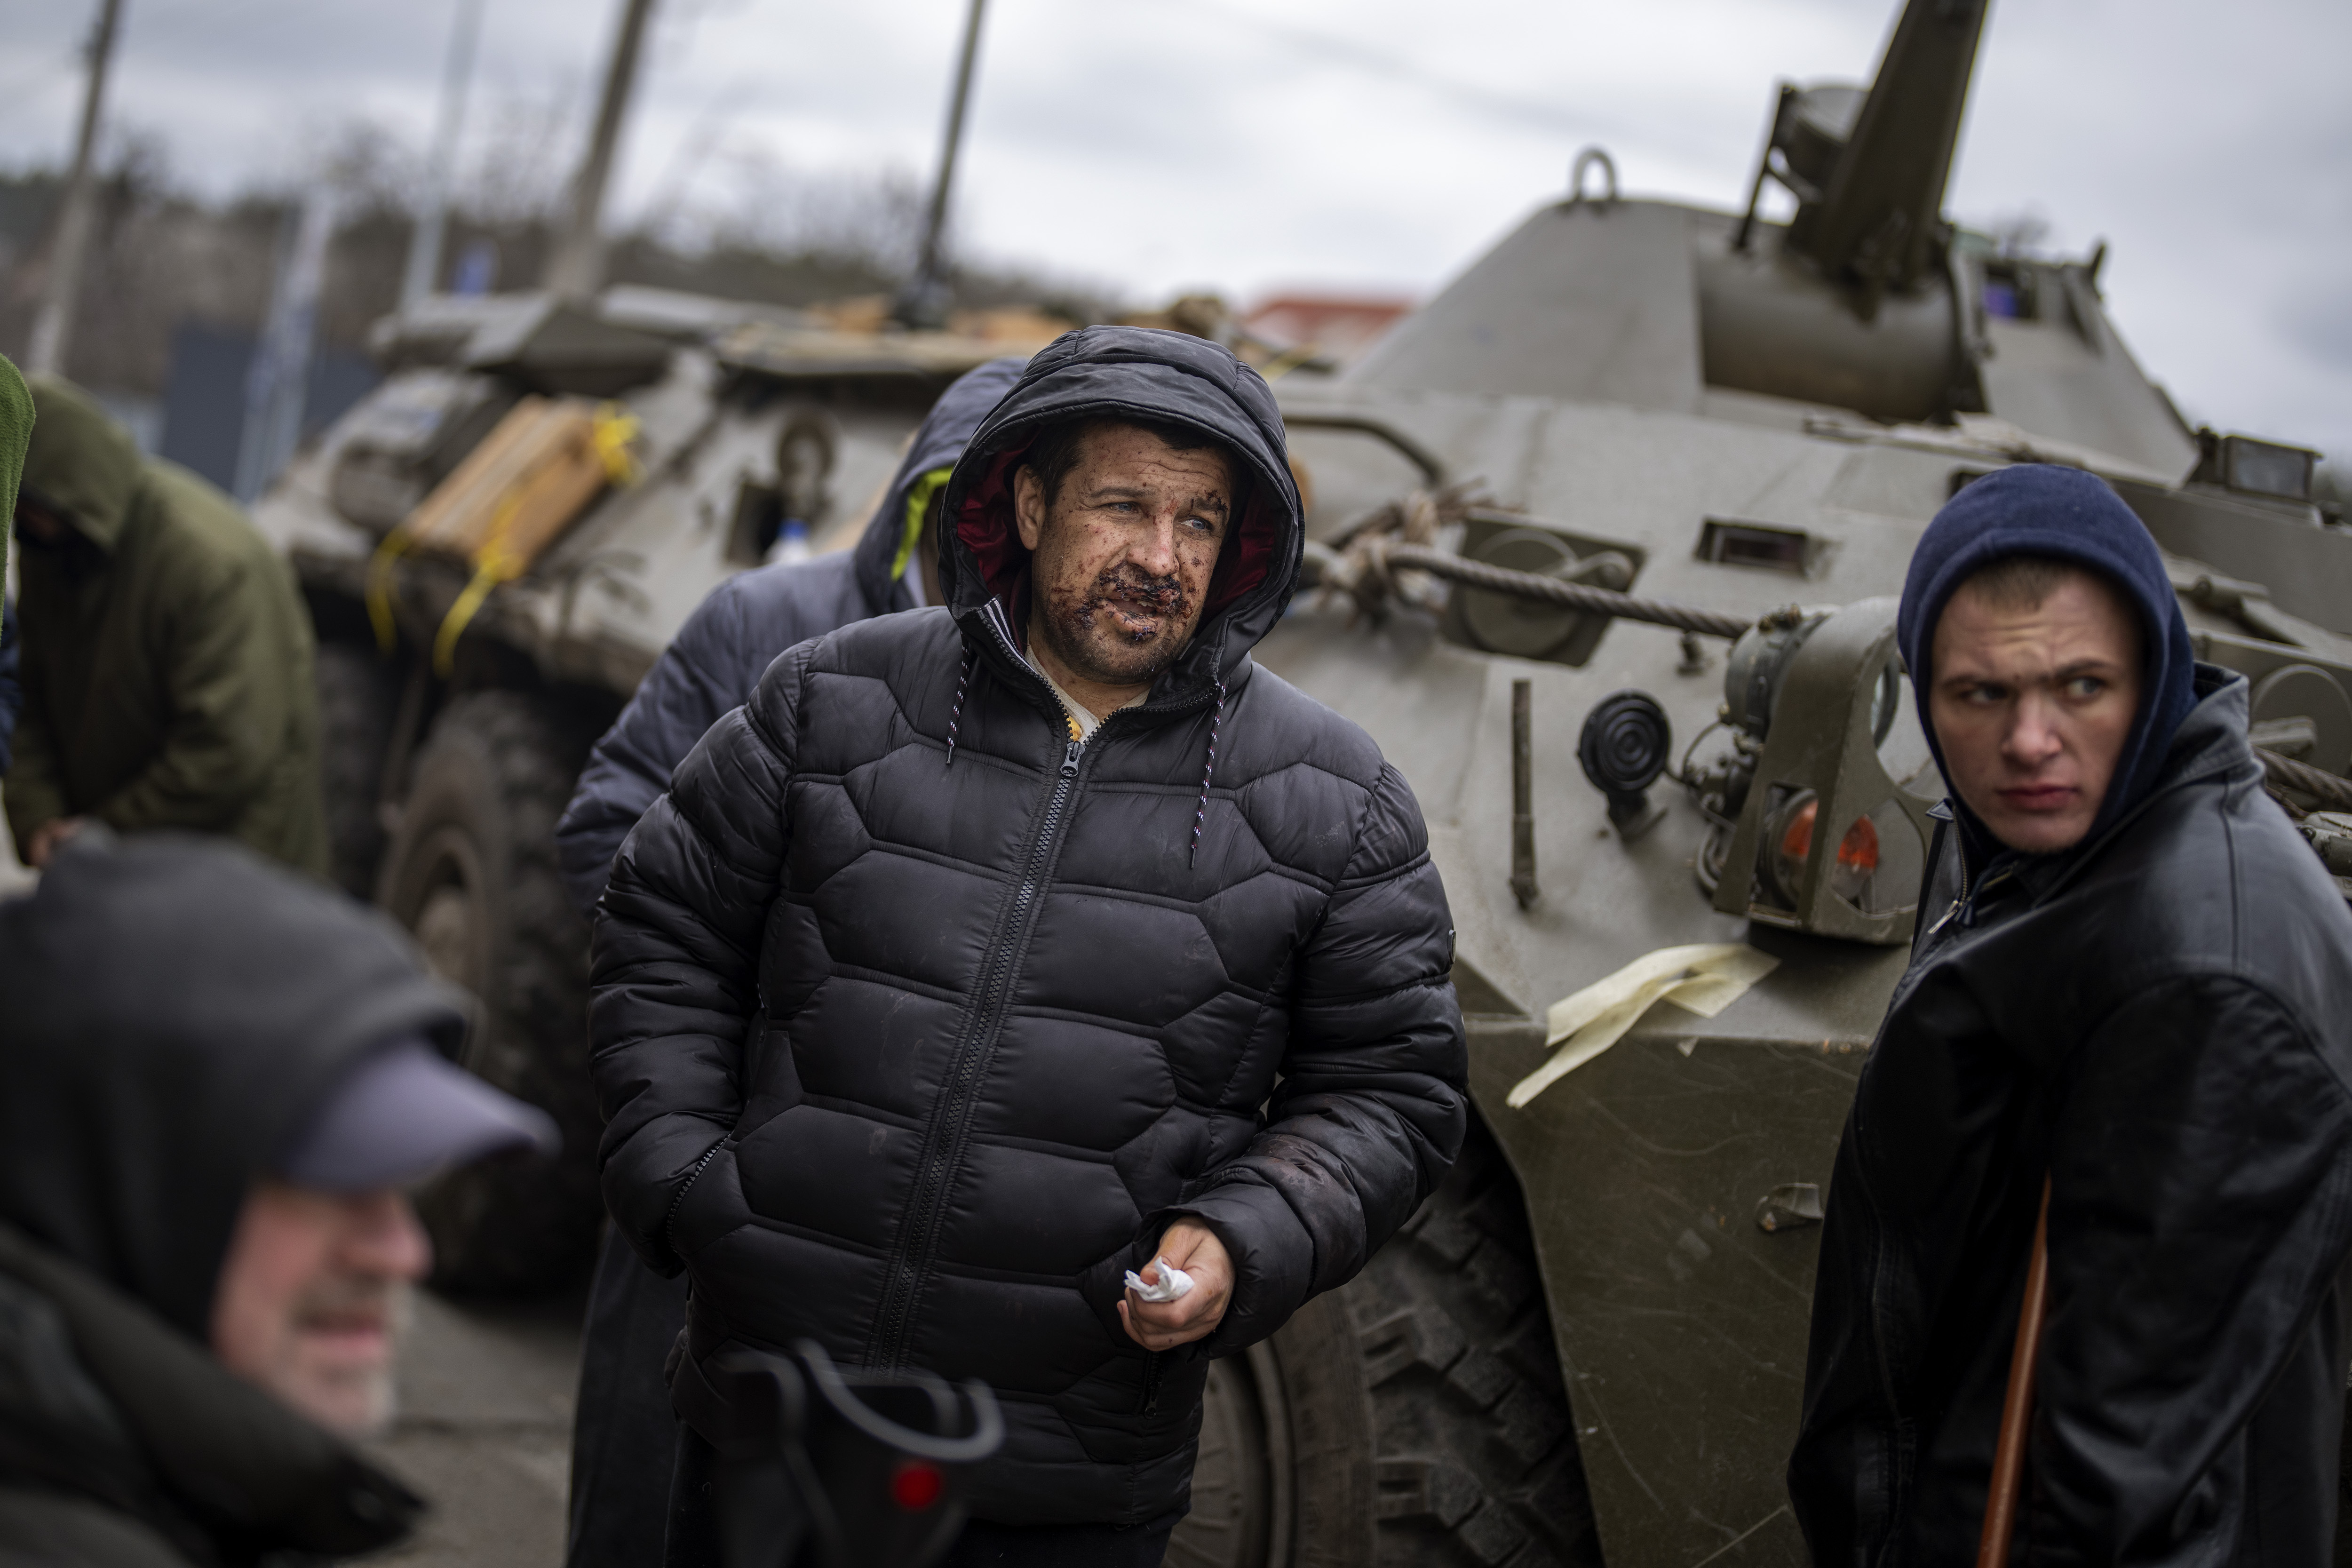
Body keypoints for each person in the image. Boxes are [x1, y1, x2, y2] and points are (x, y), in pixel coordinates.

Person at [591, 325, 1466, 1565]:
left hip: (1069, 1477)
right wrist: (687, 1184)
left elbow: (1391, 1090)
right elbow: (663, 931)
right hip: (773, 1423)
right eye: (1124, 507)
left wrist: (1249, 1230)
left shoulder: (1341, 799)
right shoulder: (828, 701)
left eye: (1202, 523)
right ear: (1032, 501)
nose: (1161, 558)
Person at [1788, 464, 2352, 1567]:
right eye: (1980, 693)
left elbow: (2118, 1489)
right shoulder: (2062, 853)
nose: (2030, 741)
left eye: (2080, 687)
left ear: (2152, 673)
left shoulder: (2202, 975)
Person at [556, 355, 1025, 1568]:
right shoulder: (766, 625)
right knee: (647, 1485)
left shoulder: (1060, 705)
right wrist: (718, 1081)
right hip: (724, 1154)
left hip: (909, 1216)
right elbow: (612, 827)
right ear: (926, 504)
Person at [0, 831, 557, 1566]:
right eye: (326, 1179)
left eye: (397, 1183)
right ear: (116, 1171)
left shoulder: (156, 1488)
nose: (401, 1250)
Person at [4, 374, 327, 876]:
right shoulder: (52, 553)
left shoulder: (210, 565)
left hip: (235, 877)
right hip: (114, 871)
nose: (21, 523)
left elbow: (228, 750)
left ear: (58, 488)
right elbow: (24, 697)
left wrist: (101, 836)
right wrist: (41, 820)